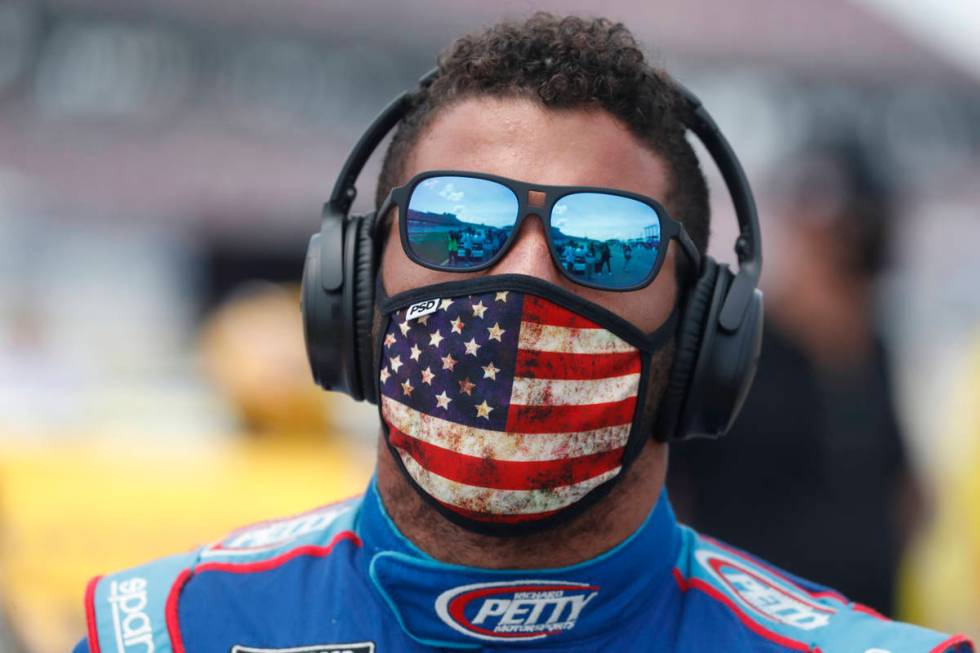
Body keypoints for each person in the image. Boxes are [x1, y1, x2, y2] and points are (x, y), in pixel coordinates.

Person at [75, 14, 973, 653]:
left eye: (605, 244)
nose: (524, 277)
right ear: (349, 287)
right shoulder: (168, 629)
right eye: (456, 226)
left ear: (705, 337)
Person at [668, 136, 920, 617]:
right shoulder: (735, 351)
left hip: (863, 624)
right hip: (746, 625)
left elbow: (905, 489)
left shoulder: (875, 351)